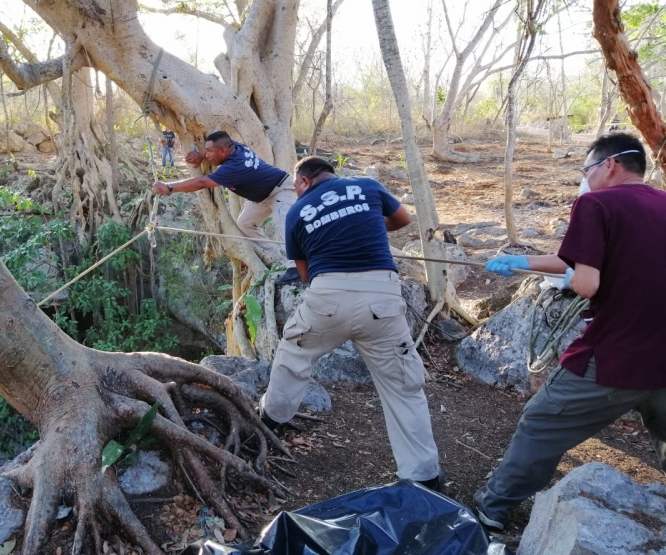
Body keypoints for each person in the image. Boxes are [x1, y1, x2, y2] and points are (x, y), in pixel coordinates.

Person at [474, 133, 666, 531]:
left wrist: (573, 279)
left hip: (615, 354)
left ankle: (492, 508)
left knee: (541, 421)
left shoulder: (595, 203)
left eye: (587, 169)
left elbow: (586, 283)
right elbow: (576, 258)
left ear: (609, 165)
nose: (586, 179)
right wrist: (521, 260)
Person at [259, 156, 444, 490]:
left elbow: (303, 274)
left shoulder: (297, 211)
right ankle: (425, 478)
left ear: (303, 182)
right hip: (383, 299)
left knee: (293, 355)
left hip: (327, 296)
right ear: (332, 173)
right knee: (403, 388)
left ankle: (272, 419)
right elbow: (402, 219)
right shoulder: (367, 186)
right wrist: (365, 225)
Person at [152, 131, 299, 281]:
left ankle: (296, 268)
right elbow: (216, 148)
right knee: (245, 224)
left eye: (210, 152)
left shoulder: (233, 167)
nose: (208, 155)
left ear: (223, 151)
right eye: (207, 151)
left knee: (285, 224)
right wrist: (201, 155)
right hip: (261, 197)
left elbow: (201, 183)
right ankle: (277, 258)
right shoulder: (233, 146)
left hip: (281, 189)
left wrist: (169, 187)